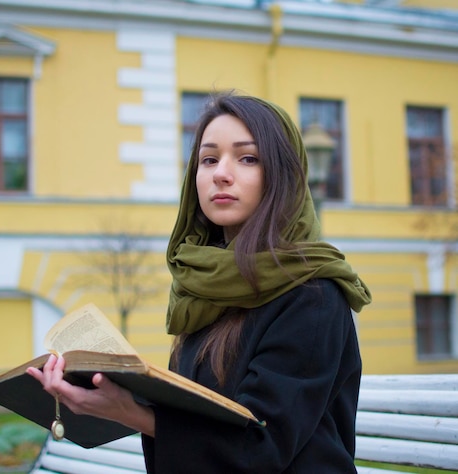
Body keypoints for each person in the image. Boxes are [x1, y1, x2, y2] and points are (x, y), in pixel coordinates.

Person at [26, 91, 372, 473]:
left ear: (283, 177)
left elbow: (261, 447)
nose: (221, 173)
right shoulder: (202, 290)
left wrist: (135, 414)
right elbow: (201, 415)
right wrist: (111, 395)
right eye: (208, 159)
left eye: (248, 158)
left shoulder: (313, 294)